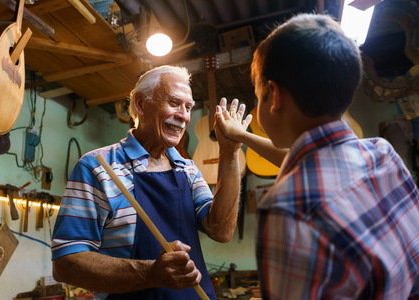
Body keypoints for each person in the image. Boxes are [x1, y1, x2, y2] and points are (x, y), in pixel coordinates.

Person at [216, 13, 419, 299]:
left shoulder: (286, 209)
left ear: (274, 96)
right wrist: (241, 136)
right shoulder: (382, 153)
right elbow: (310, 160)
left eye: (257, 95)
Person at [51, 65, 245, 300]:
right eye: (174, 103)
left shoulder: (188, 169)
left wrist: (230, 151)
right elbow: (66, 263)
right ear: (141, 104)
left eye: (188, 107)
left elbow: (221, 230)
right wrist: (151, 273)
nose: (184, 115)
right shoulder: (98, 167)